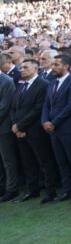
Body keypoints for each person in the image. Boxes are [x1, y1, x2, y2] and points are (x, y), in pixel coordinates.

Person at [11, 58, 60, 204]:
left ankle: (50, 191)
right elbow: (14, 107)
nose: (22, 70)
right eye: (21, 67)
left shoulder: (43, 85)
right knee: (28, 162)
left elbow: (38, 109)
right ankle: (32, 190)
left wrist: (20, 126)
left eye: (26, 67)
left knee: (44, 161)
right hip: (20, 131)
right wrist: (15, 124)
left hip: (35, 131)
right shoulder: (21, 85)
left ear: (35, 69)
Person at [41, 54, 71, 203]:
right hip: (54, 129)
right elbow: (46, 104)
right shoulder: (51, 83)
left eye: (56, 65)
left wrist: (53, 122)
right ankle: (68, 190)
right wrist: (44, 121)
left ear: (66, 66)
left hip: (68, 128)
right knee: (61, 162)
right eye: (52, 65)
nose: (53, 67)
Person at [0, 68, 18, 202]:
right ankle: (2, 186)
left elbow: (5, 107)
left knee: (8, 160)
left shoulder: (6, 81)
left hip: (4, 127)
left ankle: (11, 188)